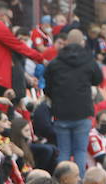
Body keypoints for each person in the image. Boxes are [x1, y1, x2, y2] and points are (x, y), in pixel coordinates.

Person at [43, 29, 101, 173]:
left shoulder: (56, 62)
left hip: (61, 113)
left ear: (67, 42)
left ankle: (63, 183)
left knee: (63, 151)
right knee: (80, 151)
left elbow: (47, 86)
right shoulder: (88, 60)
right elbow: (98, 79)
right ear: (82, 42)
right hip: (82, 113)